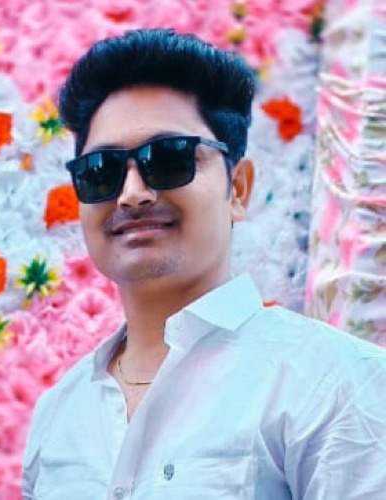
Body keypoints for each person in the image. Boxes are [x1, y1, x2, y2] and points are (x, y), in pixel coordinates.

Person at [22, 28, 386, 499]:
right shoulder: (59, 414)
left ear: (238, 189)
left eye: (169, 159)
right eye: (101, 170)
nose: (132, 194)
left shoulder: (336, 382)